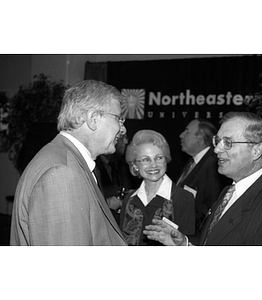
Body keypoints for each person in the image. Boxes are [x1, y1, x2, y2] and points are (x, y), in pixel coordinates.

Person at [144, 111, 262, 245]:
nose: (217, 149)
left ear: (257, 150)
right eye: (217, 141)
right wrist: (184, 244)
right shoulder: (229, 190)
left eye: (228, 142)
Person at [10, 80, 128, 246]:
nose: (122, 129)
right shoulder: (62, 173)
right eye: (118, 119)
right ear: (93, 119)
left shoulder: (66, 160)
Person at [119, 129, 195, 245]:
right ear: (135, 165)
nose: (153, 165)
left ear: (166, 160)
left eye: (159, 158)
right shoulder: (129, 200)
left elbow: (187, 244)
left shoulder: (183, 198)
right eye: (146, 160)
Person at [176, 118, 229, 231]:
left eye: (187, 131)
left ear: (199, 138)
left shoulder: (213, 163)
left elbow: (212, 206)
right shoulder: (194, 161)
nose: (181, 135)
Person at [96, 133, 141, 224]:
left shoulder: (127, 165)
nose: (126, 141)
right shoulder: (93, 166)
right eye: (122, 137)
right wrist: (106, 203)